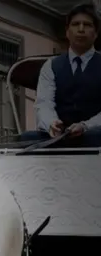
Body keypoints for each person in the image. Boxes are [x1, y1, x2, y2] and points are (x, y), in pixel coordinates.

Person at [23, 4, 101, 148]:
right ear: (67, 32)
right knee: (26, 138)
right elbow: (44, 103)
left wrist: (85, 126)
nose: (81, 29)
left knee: (96, 136)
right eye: (76, 24)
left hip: (94, 134)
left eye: (87, 25)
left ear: (96, 33)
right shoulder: (51, 66)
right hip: (60, 134)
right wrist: (51, 123)